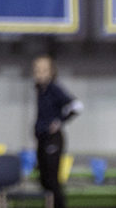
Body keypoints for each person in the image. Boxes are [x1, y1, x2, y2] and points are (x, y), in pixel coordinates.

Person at [33, 55, 82, 208]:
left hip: (53, 139)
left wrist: (60, 121)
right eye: (37, 70)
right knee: (44, 180)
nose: (40, 73)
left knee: (53, 181)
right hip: (42, 139)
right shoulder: (40, 90)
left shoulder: (54, 88)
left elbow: (77, 106)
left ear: (51, 71)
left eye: (44, 70)